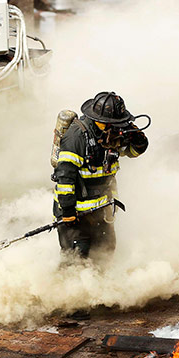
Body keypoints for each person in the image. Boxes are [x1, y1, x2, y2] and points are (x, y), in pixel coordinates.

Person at [52, 91, 148, 258]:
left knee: (106, 252)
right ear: (98, 120)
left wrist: (138, 140)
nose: (115, 126)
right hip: (75, 213)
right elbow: (65, 178)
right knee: (76, 258)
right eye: (111, 123)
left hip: (102, 210)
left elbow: (132, 152)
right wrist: (67, 212)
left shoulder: (111, 135)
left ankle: (102, 284)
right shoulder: (76, 137)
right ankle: (64, 284)